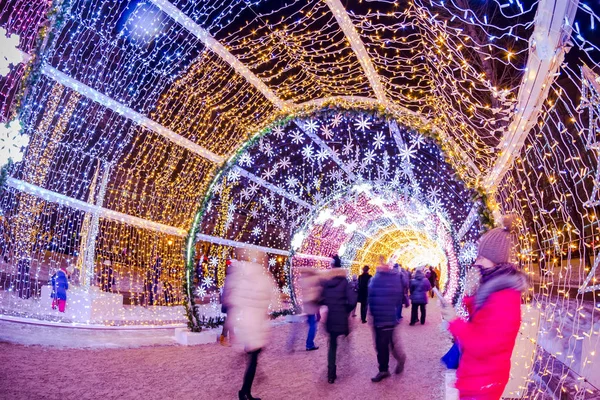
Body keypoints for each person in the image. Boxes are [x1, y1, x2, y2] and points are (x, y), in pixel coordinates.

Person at [441, 215, 527, 400]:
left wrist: (455, 321)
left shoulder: (503, 298)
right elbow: (485, 325)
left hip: (483, 385)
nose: (477, 262)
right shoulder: (496, 290)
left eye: (481, 257)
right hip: (478, 379)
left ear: (495, 259)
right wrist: (471, 299)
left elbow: (481, 345)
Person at [228, 248, 275, 400]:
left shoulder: (242, 278)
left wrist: (232, 327)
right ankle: (244, 392)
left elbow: (234, 302)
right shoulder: (264, 279)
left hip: (246, 323)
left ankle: (245, 392)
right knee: (253, 359)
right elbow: (273, 303)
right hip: (256, 324)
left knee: (253, 356)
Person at [368, 257, 406, 382]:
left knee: (385, 345)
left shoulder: (378, 279)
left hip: (384, 318)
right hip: (383, 317)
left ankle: (392, 364)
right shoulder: (386, 279)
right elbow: (396, 297)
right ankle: (388, 366)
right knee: (384, 344)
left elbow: (372, 298)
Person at [321, 255, 357, 384]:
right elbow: (352, 300)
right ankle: (346, 363)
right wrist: (346, 310)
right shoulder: (345, 282)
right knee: (345, 341)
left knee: (332, 345)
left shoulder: (326, 282)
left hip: (330, 318)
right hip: (341, 318)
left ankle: (331, 374)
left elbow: (321, 299)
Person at [298, 267, 323, 351]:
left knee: (310, 324)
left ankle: (308, 343)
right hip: (311, 306)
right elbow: (316, 294)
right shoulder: (312, 280)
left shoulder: (303, 280)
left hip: (306, 306)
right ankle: (309, 344)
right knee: (313, 326)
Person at [220, 260, 233, 347]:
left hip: (231, 301)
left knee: (232, 319)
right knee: (229, 320)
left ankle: (232, 336)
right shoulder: (231, 279)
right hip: (230, 302)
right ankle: (223, 337)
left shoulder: (230, 278)